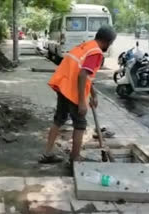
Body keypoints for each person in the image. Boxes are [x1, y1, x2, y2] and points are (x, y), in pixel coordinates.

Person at [38, 26, 116, 165]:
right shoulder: (95, 52)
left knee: (59, 119)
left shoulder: (85, 46)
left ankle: (47, 154)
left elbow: (84, 74)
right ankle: (75, 158)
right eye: (111, 43)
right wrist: (81, 102)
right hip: (73, 91)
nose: (110, 46)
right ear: (107, 41)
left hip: (63, 86)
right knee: (80, 125)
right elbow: (82, 74)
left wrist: (93, 93)